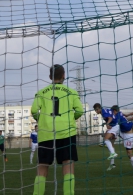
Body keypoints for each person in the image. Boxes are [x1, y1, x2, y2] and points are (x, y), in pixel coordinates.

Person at [31, 64, 84, 195]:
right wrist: (70, 118)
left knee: (42, 167)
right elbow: (80, 111)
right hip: (66, 132)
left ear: (50, 77)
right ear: (64, 76)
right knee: (68, 165)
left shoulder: (41, 92)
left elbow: (33, 111)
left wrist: (41, 120)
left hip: (46, 133)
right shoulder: (71, 92)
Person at [111, 105, 133, 176]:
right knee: (128, 154)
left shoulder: (117, 116)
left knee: (129, 154)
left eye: (112, 112)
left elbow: (115, 123)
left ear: (114, 111)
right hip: (124, 133)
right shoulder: (120, 113)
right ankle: (111, 142)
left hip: (129, 136)